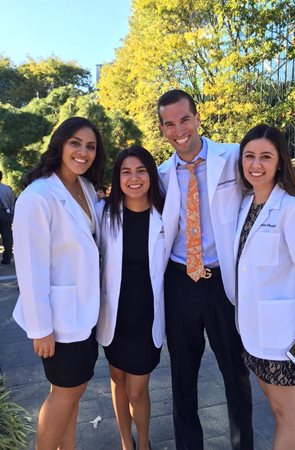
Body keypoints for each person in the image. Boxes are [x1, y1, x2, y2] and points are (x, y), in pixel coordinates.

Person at [157, 89, 253, 450]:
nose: (179, 129)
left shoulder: (232, 157)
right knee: (182, 376)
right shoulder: (162, 175)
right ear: (163, 129)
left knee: (235, 373)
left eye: (184, 119)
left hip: (222, 282)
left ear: (197, 118)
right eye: (169, 123)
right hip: (180, 281)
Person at [12, 117, 105, 450]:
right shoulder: (37, 197)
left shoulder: (86, 188)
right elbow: (29, 266)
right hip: (58, 321)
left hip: (84, 313)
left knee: (73, 392)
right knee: (65, 394)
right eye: (75, 144)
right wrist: (40, 328)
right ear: (60, 145)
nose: (83, 152)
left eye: (90, 146)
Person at [235, 124, 295, 450]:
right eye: (249, 156)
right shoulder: (247, 205)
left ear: (279, 161)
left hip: (283, 335)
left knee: (287, 413)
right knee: (276, 407)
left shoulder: (294, 208)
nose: (255, 164)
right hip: (254, 332)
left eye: (265, 157)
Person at [96, 146, 167, 450]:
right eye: (126, 172)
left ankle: (145, 443)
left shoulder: (166, 214)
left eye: (141, 171)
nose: (134, 178)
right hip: (115, 315)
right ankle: (127, 442)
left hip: (147, 317)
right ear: (118, 177)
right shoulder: (104, 214)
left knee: (138, 389)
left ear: (151, 175)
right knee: (117, 380)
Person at [0, 170, 15, 264]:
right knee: (7, 236)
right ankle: (7, 257)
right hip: (6, 213)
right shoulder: (7, 189)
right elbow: (12, 203)